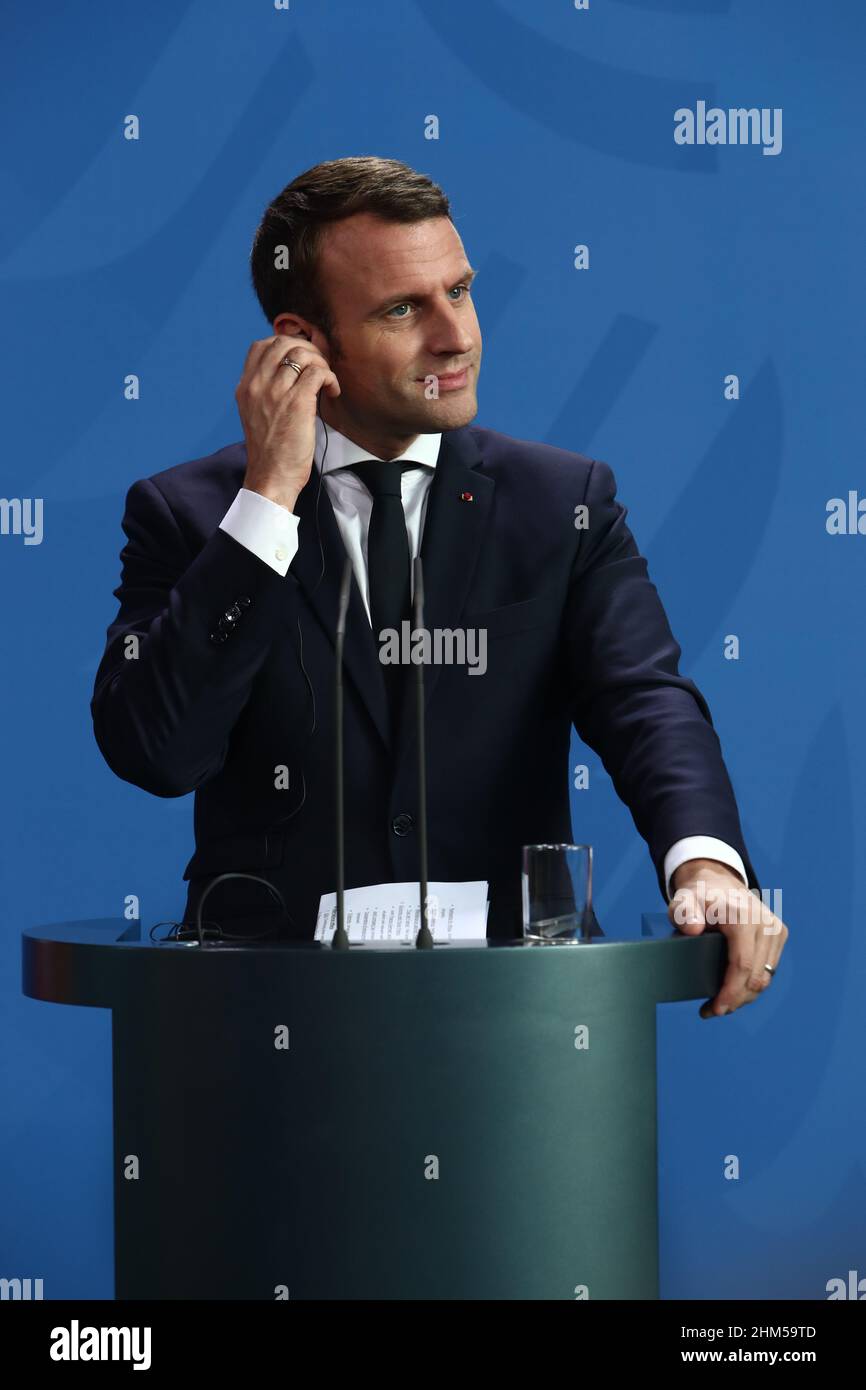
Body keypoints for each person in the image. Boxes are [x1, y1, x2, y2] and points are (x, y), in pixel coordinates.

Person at [91, 156, 787, 1016]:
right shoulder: (191, 516)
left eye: (460, 291)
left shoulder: (563, 504)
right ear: (303, 343)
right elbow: (157, 754)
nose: (455, 336)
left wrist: (706, 863)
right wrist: (268, 499)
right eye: (402, 310)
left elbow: (645, 698)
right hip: (263, 1020)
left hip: (519, 1025)